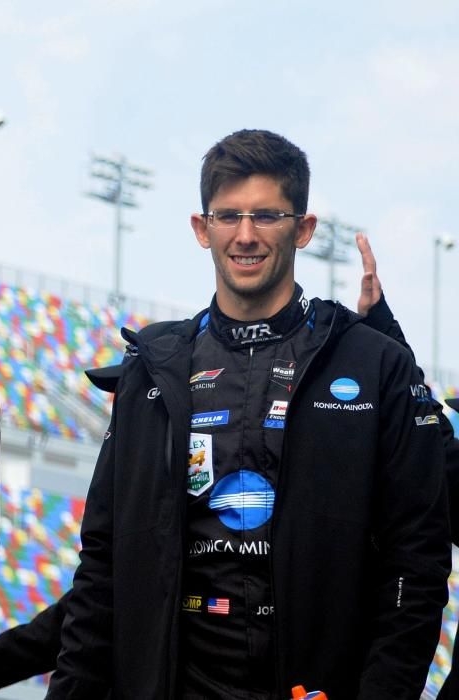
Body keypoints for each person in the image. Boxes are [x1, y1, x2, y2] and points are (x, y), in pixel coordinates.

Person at [43, 129, 450, 699]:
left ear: (303, 229)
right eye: (228, 216)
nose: (245, 236)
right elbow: (103, 565)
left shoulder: (375, 364)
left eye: (267, 216)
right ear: (201, 228)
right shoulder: (152, 370)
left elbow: (418, 562)